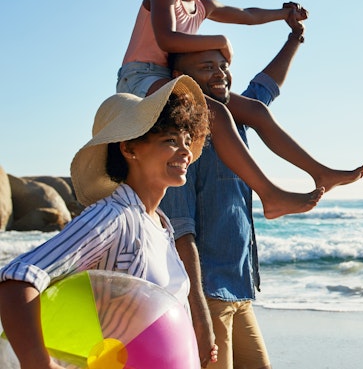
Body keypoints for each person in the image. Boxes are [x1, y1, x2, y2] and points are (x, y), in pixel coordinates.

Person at [118, 0, 363, 218]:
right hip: (142, 76)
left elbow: (247, 15)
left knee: (256, 110)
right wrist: (221, 41)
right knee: (217, 113)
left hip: (173, 79)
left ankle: (320, 173)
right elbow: (166, 38)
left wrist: (284, 15)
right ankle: (270, 195)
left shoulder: (204, 6)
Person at [159, 14, 339, 368]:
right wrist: (197, 309)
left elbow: (265, 87)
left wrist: (294, 39)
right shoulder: (187, 145)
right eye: (207, 67)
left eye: (224, 66)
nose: (221, 73)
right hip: (208, 294)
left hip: (239, 288)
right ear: (184, 81)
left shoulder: (238, 119)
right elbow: (181, 229)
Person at [0, 77, 216, 369]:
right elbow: (18, 278)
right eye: (170, 141)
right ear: (129, 149)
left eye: (187, 141)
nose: (186, 151)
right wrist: (38, 363)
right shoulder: (114, 217)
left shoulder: (161, 225)